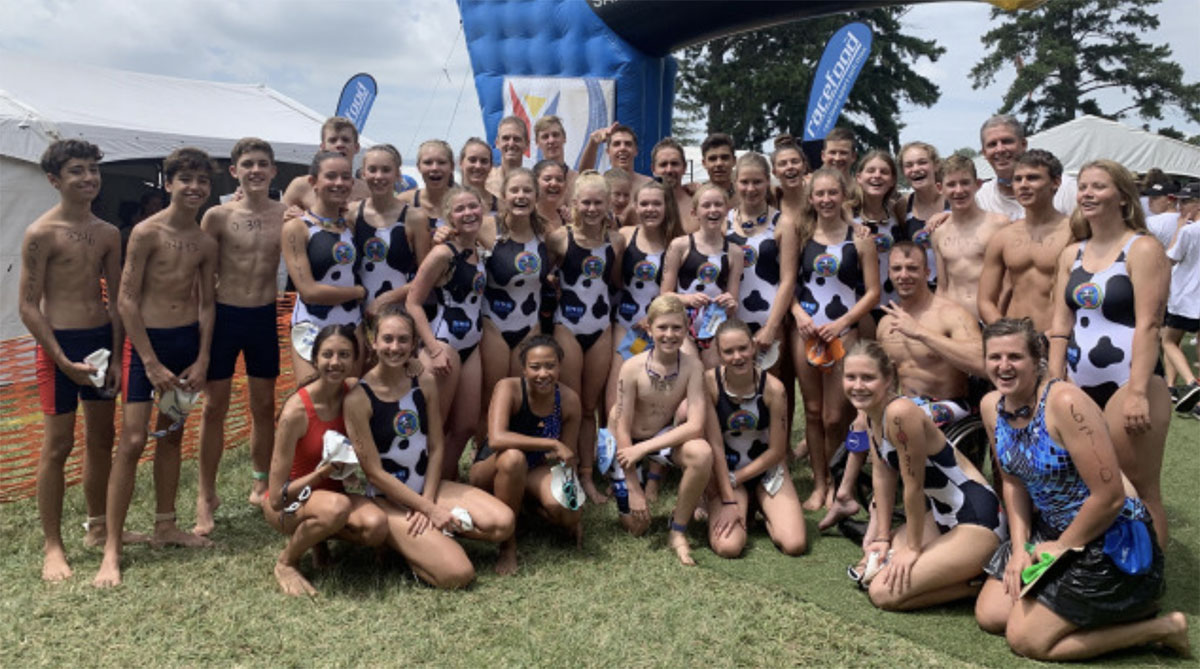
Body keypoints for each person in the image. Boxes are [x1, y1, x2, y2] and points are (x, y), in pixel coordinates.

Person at [973, 318, 1188, 661]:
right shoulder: (991, 407)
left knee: (1025, 639)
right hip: (1052, 531)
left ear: (1037, 358)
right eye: (994, 357)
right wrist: (1018, 549)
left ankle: (1159, 628)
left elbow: (1111, 497)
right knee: (991, 614)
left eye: (1015, 357)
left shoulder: (1066, 403)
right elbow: (1013, 481)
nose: (1003, 366)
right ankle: (1086, 612)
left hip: (1109, 539)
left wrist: (1061, 546)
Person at [94, 147, 220, 588]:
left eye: (202, 181)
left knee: (171, 436)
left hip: (186, 346)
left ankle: (165, 525)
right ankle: (111, 546)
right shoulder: (146, 233)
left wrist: (203, 356)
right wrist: (147, 360)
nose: (195, 188)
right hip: (146, 346)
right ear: (170, 184)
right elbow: (125, 299)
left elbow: (207, 303)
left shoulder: (205, 241)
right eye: (186, 179)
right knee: (131, 442)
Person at [20, 139, 131, 581]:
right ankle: (53, 546)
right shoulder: (40, 233)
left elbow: (119, 299)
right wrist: (61, 357)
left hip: (100, 341)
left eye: (93, 171)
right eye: (77, 171)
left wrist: (120, 357)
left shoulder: (107, 233)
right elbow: (28, 305)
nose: (88, 179)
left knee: (102, 440)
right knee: (57, 446)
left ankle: (97, 527)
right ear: (54, 180)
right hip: (58, 345)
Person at [344, 307, 515, 586]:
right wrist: (426, 508)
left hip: (428, 488)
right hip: (389, 499)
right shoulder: (359, 398)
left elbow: (436, 446)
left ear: (414, 344)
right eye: (387, 339)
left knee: (503, 523)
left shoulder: (422, 381)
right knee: (458, 574)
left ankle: (426, 539)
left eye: (403, 340)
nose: (395, 347)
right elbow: (373, 473)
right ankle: (406, 549)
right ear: (373, 341)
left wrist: (430, 501)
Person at [1047, 160, 1171, 546]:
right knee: (1093, 481)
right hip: (1077, 385)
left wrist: (1137, 391)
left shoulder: (1142, 248)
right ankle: (1106, 568)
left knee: (1138, 486)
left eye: (1098, 186)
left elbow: (1149, 324)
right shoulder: (1072, 254)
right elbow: (1059, 327)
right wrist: (1053, 385)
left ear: (1122, 196)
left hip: (1129, 382)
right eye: (1083, 187)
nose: (1087, 194)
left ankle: (1150, 576)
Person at [821, 242, 986, 530]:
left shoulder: (952, 314)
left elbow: (981, 363)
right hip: (901, 407)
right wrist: (865, 410)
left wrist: (920, 333)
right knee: (864, 419)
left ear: (927, 271)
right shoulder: (886, 323)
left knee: (893, 418)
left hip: (949, 406)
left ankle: (876, 517)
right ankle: (847, 493)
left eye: (912, 268)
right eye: (897, 268)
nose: (904, 275)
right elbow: (885, 380)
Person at [843, 340, 1003, 611]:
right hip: (941, 516)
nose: (858, 386)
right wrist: (882, 536)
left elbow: (913, 487)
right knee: (870, 566)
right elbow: (882, 477)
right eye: (851, 377)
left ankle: (977, 583)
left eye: (868, 378)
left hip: (977, 519)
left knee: (882, 592)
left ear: (888, 378)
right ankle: (963, 572)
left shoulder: (900, 413)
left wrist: (913, 548)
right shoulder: (871, 414)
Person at [194, 138, 289, 536]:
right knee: (214, 407)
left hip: (264, 315)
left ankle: (260, 482)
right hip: (225, 315)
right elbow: (201, 279)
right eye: (247, 164)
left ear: (273, 171)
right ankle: (206, 494)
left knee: (264, 406)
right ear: (234, 171)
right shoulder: (217, 216)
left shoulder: (286, 214)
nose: (255, 170)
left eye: (262, 164)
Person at [263, 324, 388, 596]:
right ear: (314, 359)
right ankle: (286, 562)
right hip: (289, 503)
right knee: (336, 507)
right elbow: (275, 497)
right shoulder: (295, 412)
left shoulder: (352, 390)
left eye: (344, 355)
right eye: (327, 355)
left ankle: (318, 542)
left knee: (377, 527)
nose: (335, 362)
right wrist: (323, 473)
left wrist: (414, 365)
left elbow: (387, 377)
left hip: (330, 496)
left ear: (355, 360)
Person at [791, 167, 880, 511]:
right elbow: (789, 283)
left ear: (844, 195)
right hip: (808, 333)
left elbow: (871, 293)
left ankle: (841, 481)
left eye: (833, 193)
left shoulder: (860, 238)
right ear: (811, 198)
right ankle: (819, 485)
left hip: (843, 332)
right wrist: (799, 314)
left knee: (835, 415)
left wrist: (843, 322)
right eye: (820, 194)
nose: (826, 199)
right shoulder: (801, 233)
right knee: (812, 412)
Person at [611, 295, 715, 566]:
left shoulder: (692, 366)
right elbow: (621, 427)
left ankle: (677, 530)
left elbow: (695, 425)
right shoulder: (632, 367)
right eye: (662, 328)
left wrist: (644, 448)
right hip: (626, 442)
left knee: (702, 453)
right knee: (638, 528)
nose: (669, 335)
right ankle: (631, 487)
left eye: (677, 328)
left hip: (656, 439)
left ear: (686, 329)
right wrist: (634, 488)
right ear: (649, 328)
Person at [470, 335, 583, 575]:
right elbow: (498, 438)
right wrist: (551, 443)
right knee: (513, 458)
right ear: (523, 369)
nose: (543, 373)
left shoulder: (569, 400)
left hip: (533, 468)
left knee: (569, 510)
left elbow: (568, 459)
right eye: (535, 367)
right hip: (492, 467)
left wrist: (574, 512)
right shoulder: (509, 388)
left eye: (550, 366)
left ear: (560, 367)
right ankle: (507, 545)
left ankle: (525, 506)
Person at [548, 171, 623, 503]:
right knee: (571, 405)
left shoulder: (616, 241)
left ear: (608, 204)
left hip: (601, 327)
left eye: (598, 202)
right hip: (568, 325)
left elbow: (615, 282)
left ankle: (588, 476)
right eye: (586, 202)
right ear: (574, 204)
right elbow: (542, 275)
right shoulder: (560, 238)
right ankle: (567, 472)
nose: (592, 208)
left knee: (591, 405)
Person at [704, 320, 807, 558]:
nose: (737, 356)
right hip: (726, 471)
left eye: (743, 348)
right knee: (728, 547)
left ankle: (759, 504)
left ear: (753, 347)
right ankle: (735, 503)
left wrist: (737, 478)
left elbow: (777, 451)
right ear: (719, 354)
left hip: (765, 471)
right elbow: (715, 443)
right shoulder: (710, 383)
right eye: (728, 351)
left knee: (794, 545)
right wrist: (727, 491)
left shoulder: (773, 388)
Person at [406, 187, 490, 481]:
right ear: (448, 217)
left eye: (473, 206)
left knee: (466, 425)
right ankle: (421, 485)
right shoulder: (443, 253)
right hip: (444, 342)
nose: (468, 213)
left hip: (471, 345)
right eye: (460, 209)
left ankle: (444, 478)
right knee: (434, 426)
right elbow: (413, 302)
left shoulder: (479, 249)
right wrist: (433, 348)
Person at [281, 152, 368, 385]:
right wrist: (358, 293)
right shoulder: (296, 228)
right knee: (314, 405)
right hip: (312, 326)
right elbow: (309, 292)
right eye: (330, 176)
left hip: (352, 323)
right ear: (313, 182)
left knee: (349, 403)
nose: (339, 183)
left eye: (345, 177)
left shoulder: (351, 224)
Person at [479, 168, 551, 442]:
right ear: (504, 195)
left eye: (527, 191)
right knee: (493, 393)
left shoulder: (546, 232)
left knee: (522, 394)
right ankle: (482, 454)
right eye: (515, 191)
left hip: (529, 325)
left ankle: (517, 453)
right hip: (493, 324)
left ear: (536, 195)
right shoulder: (486, 228)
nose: (521, 196)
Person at [978, 150, 1073, 332]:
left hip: (1060, 339)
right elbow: (985, 301)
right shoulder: (1003, 237)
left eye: (1033, 178)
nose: (1023, 185)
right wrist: (1009, 336)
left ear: (1056, 182)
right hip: (1016, 341)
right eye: (1018, 179)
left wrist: (1056, 336)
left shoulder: (1074, 232)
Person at [607, 180, 680, 409]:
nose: (650, 209)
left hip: (661, 326)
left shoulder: (676, 242)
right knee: (617, 385)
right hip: (627, 323)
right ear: (635, 207)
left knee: (655, 391)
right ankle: (612, 440)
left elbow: (671, 291)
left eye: (657, 204)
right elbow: (616, 279)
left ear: (667, 207)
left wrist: (653, 318)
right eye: (645, 204)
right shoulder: (625, 236)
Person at [661, 183, 744, 368]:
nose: (712, 210)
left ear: (727, 210)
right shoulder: (680, 245)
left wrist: (730, 303)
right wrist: (688, 299)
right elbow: (664, 295)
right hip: (682, 328)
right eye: (706, 206)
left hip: (714, 328)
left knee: (711, 379)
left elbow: (733, 304)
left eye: (718, 205)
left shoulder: (734, 252)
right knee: (689, 374)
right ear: (694, 213)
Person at [727, 152, 796, 356]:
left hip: (769, 320)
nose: (750, 188)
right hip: (732, 320)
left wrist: (772, 327)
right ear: (735, 182)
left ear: (768, 181)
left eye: (757, 182)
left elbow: (788, 280)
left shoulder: (783, 223)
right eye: (744, 182)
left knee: (770, 385)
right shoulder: (724, 222)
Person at [351, 144, 432, 316]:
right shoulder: (351, 214)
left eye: (386, 170)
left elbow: (426, 277)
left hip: (398, 314)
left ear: (397, 174)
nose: (378, 176)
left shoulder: (415, 218)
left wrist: (386, 299)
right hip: (355, 313)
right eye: (372, 169)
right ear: (363, 173)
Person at [930, 155, 1010, 320]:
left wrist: (999, 321)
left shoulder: (999, 224)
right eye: (951, 184)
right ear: (940, 188)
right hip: (956, 321)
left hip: (994, 318)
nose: (959, 190)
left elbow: (1010, 282)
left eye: (965, 182)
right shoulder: (939, 232)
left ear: (978, 184)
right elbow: (942, 287)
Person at [974, 114, 1077, 220]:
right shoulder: (981, 199)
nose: (1000, 149)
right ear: (984, 153)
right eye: (992, 144)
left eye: (1006, 141)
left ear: (1023, 144)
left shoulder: (1066, 189)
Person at [1161, 182, 1200, 414]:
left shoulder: (1188, 230)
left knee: (1168, 341)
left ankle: (1190, 382)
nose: (1181, 206)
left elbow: (1171, 259)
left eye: (1186, 201)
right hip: (1191, 297)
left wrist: (1178, 230)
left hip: (1185, 297)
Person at [854, 150, 902, 319]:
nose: (877, 176)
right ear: (859, 177)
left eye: (884, 172)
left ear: (893, 180)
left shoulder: (897, 211)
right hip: (857, 308)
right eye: (871, 170)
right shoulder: (844, 214)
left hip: (894, 304)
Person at [282, 117, 370, 208]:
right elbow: (279, 218)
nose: (340, 145)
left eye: (345, 140)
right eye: (333, 140)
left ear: (356, 147)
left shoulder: (366, 190)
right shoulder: (301, 186)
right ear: (322, 147)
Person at [893, 142, 947, 288]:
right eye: (909, 165)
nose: (916, 169)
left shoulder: (954, 199)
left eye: (922, 162)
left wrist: (950, 216)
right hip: (921, 292)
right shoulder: (903, 206)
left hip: (955, 289)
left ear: (935, 165)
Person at [579, 122, 652, 189]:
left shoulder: (648, 185)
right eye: (617, 144)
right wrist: (593, 142)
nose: (622, 148)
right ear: (608, 151)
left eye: (628, 144)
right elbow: (584, 175)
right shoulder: (600, 184)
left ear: (636, 151)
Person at [402, 139, 456, 230]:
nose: (435, 168)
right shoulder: (404, 202)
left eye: (442, 162)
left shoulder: (465, 203)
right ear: (418, 167)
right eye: (428, 163)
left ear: (452, 167)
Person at [649, 137, 695, 231]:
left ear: (685, 167)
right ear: (653, 169)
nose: (669, 170)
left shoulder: (697, 205)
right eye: (663, 164)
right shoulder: (643, 206)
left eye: (674, 164)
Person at [485, 115, 529, 197]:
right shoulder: (485, 179)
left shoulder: (532, 183)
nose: (511, 144)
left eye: (516, 139)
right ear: (497, 143)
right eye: (506, 138)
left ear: (527, 144)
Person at [533, 115, 578, 191]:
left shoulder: (577, 180)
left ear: (564, 138)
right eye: (545, 137)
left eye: (555, 135)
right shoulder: (531, 181)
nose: (551, 141)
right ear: (537, 143)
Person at [459, 137, 500, 212]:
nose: (478, 166)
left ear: (491, 166)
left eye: (484, 161)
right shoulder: (447, 203)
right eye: (472, 160)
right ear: (461, 163)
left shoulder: (501, 206)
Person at [701, 132, 737, 205]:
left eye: (724, 158)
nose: (719, 163)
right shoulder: (695, 196)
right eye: (712, 159)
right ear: (704, 163)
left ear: (734, 161)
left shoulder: (745, 196)